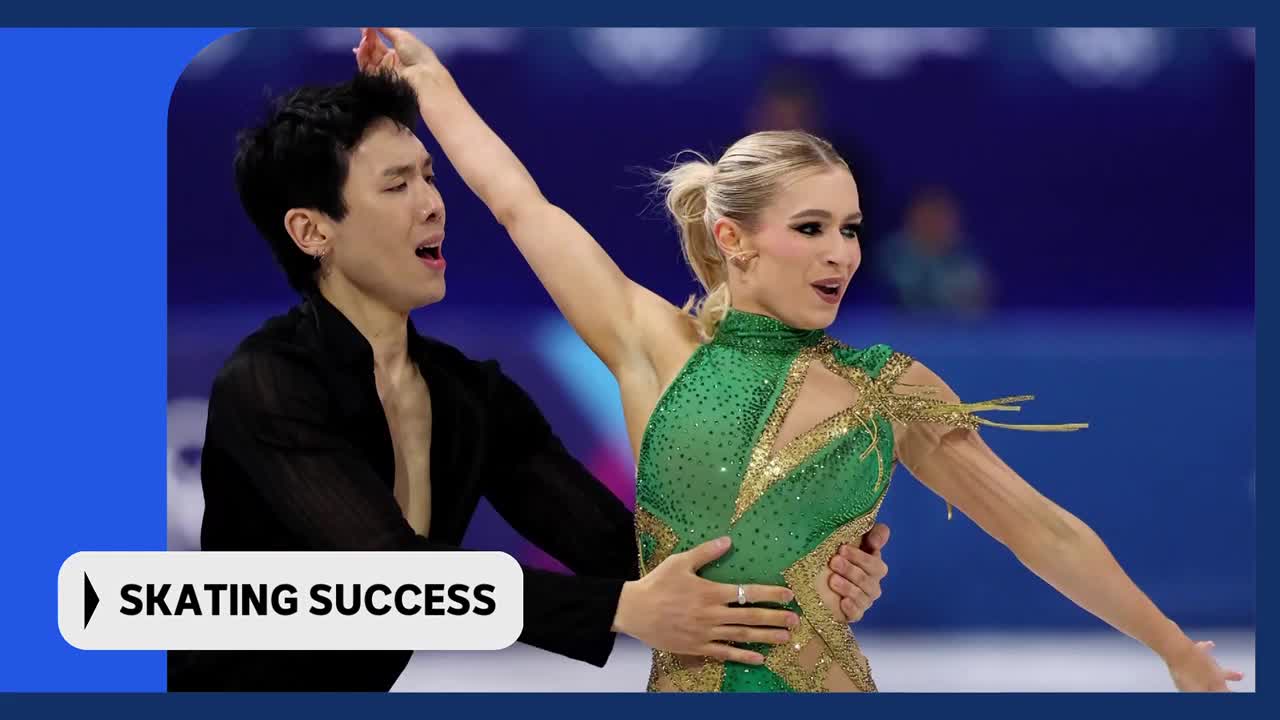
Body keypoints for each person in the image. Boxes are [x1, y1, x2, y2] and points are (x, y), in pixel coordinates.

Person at [356, 27, 1245, 692]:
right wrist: (430, 84)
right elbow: (520, 204)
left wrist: (1171, 647)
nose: (842, 254)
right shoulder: (654, 347)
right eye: (811, 229)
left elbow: (1037, 527)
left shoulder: (887, 389)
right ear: (734, 239)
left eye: (851, 229)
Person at [166, 65, 890, 692]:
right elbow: (388, 581)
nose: (431, 202)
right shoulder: (267, 384)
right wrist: (620, 608)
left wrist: (806, 567)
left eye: (428, 175)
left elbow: (631, 553)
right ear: (312, 231)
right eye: (396, 185)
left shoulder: (467, 397)